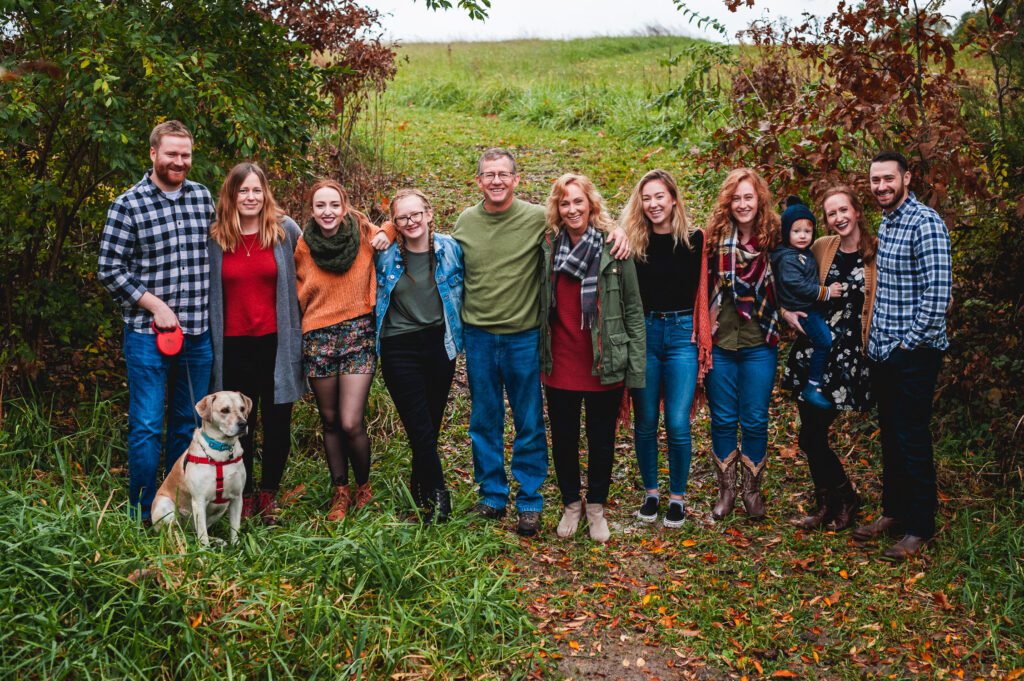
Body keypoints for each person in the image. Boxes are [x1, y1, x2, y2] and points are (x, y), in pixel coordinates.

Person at [452, 148, 630, 537]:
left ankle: (530, 499)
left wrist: (619, 230)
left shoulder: (537, 220)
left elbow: (585, 224)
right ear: (478, 181)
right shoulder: (465, 222)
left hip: (524, 336)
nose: (496, 181)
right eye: (488, 174)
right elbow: (432, 244)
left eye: (504, 174)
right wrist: (389, 230)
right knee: (484, 418)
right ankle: (493, 494)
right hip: (479, 335)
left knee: (529, 420)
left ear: (517, 180)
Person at [98, 120, 215, 523]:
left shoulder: (203, 198)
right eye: (171, 154)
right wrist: (154, 305)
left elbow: (236, 235)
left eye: (185, 155)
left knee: (187, 424)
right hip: (148, 336)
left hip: (198, 334)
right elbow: (109, 268)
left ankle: (178, 509)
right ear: (152, 153)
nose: (179, 162)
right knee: (147, 425)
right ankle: (142, 513)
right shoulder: (127, 204)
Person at [853, 151, 951, 562]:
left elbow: (938, 293)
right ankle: (893, 513)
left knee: (911, 437)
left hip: (913, 353)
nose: (881, 187)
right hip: (884, 352)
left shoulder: (924, 222)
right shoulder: (888, 221)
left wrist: (907, 343)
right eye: (875, 180)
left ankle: (919, 527)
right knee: (891, 434)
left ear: (906, 178)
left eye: (888, 179)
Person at [539, 174, 645, 543]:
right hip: (560, 361)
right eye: (565, 203)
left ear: (591, 205)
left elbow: (633, 309)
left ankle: (597, 506)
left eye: (578, 202)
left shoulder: (614, 249)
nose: (572, 209)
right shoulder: (548, 246)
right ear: (557, 208)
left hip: (604, 360)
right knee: (564, 439)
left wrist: (635, 367)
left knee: (601, 439)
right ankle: (571, 502)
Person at [208, 162, 304, 526]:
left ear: (266, 193)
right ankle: (244, 496)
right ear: (231, 195)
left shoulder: (284, 232)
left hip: (277, 345)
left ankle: (268, 496)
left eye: (256, 190)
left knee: (279, 423)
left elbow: (320, 257)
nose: (250, 197)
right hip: (232, 348)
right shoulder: (215, 238)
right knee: (240, 426)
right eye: (243, 191)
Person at [780, 185, 877, 532]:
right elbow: (787, 279)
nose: (838, 218)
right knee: (809, 434)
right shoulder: (822, 246)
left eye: (843, 210)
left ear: (857, 211)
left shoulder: (876, 254)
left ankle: (846, 496)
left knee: (815, 433)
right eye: (831, 213)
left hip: (847, 355)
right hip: (815, 349)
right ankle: (827, 502)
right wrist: (784, 310)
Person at [294, 179, 392, 522]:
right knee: (330, 421)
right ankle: (340, 491)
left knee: (351, 422)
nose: (328, 212)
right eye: (320, 206)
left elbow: (393, 225)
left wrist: (389, 233)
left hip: (357, 335)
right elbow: (295, 287)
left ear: (345, 205)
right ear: (312, 209)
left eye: (334, 205)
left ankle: (364, 486)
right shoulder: (304, 244)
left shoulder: (363, 230)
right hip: (318, 336)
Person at [620, 169, 712, 528]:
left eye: (660, 196)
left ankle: (677, 498)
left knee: (677, 422)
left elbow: (710, 289)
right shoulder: (632, 241)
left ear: (674, 198)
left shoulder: (696, 240)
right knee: (644, 421)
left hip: (681, 337)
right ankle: (651, 494)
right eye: (647, 198)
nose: (654, 204)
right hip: (644, 332)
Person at [374, 189, 464, 523]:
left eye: (416, 214)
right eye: (402, 217)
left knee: (429, 426)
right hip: (399, 345)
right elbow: (354, 226)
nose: (411, 222)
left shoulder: (451, 248)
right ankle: (440, 497)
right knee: (419, 425)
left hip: (440, 344)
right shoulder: (383, 254)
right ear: (394, 223)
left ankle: (419, 491)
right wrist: (383, 230)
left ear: (429, 214)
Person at [704, 168, 782, 521]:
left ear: (759, 200)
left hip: (759, 340)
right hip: (722, 341)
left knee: (754, 418)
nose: (743, 204)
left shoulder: (774, 238)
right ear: (727, 203)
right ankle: (726, 491)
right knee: (721, 418)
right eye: (736, 198)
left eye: (748, 197)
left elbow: (798, 272)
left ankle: (752, 491)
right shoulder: (715, 238)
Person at [771, 196, 843, 410]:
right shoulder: (787, 258)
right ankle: (813, 385)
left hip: (809, 307)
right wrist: (826, 292)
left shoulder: (802, 253)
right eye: (796, 231)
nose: (803, 236)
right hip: (803, 309)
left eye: (807, 231)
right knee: (824, 340)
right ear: (786, 233)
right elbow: (798, 286)